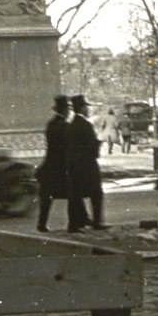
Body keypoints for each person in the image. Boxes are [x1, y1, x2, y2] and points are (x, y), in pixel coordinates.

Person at [66, 95, 106, 232]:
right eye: (86, 107)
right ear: (82, 108)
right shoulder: (86, 125)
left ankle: (76, 223)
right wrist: (98, 144)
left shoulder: (71, 125)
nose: (87, 110)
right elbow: (92, 147)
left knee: (76, 194)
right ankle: (97, 222)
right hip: (88, 165)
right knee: (96, 194)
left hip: (74, 165)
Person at [35, 95, 70, 233]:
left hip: (49, 165)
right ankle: (77, 222)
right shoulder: (64, 126)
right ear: (64, 109)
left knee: (46, 198)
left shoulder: (51, 124)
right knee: (73, 194)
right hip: (60, 166)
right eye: (67, 108)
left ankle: (41, 224)